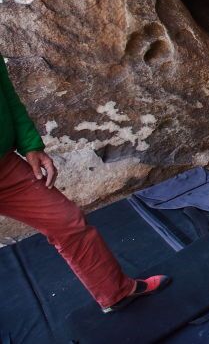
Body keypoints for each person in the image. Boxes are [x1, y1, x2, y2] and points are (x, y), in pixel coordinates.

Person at [0, 56, 170, 312]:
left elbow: (7, 95)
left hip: (5, 168)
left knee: (65, 220)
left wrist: (30, 145)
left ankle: (116, 293)